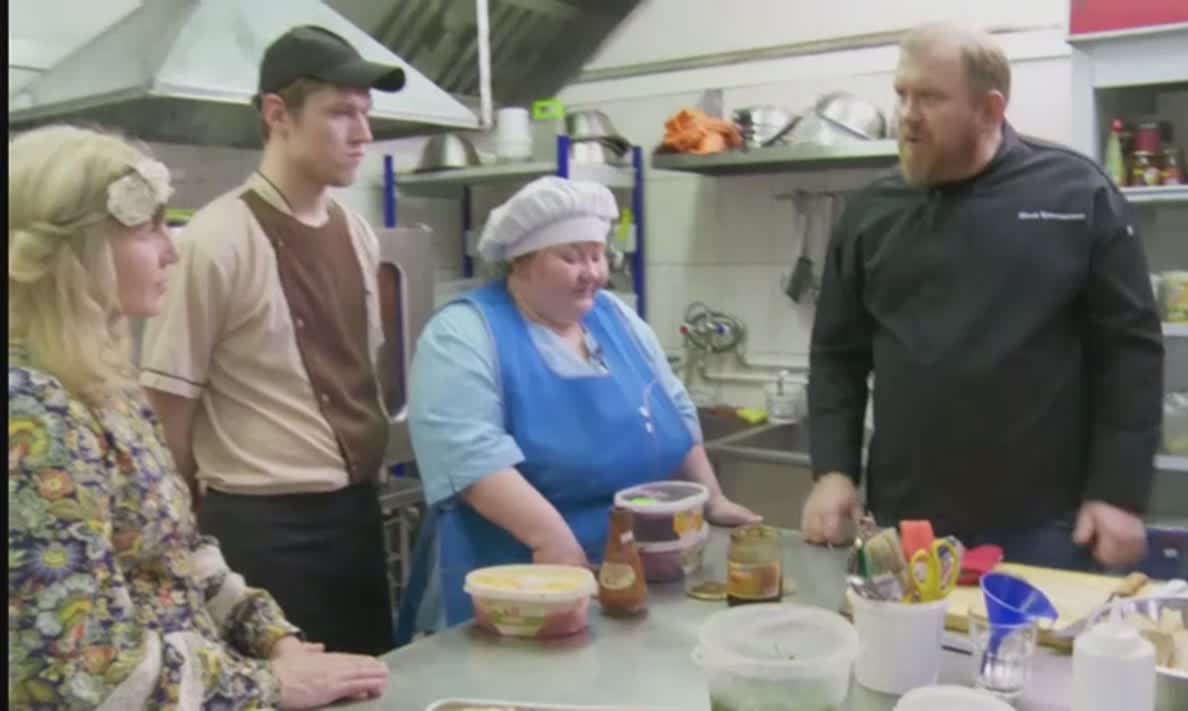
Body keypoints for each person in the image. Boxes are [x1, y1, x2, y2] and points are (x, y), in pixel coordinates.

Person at [8, 125, 389, 709]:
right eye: (148, 229)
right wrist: (271, 685)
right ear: (76, 251)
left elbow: (176, 551)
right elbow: (77, 672)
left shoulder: (103, 385)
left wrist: (270, 636)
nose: (172, 250)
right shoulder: (31, 414)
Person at [801, 23, 1163, 572]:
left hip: (1042, 522)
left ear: (990, 109)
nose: (907, 116)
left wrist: (1118, 492)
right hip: (906, 518)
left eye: (930, 98)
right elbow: (836, 355)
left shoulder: (1077, 193)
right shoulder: (872, 212)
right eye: (902, 95)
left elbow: (1129, 350)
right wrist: (833, 471)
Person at [139, 25, 403, 655]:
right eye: (340, 113)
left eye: (365, 113)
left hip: (356, 516)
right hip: (263, 533)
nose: (363, 134)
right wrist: (184, 536)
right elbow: (168, 408)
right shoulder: (214, 240)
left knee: (372, 684)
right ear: (277, 114)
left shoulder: (358, 233)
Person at [401, 177, 761, 632]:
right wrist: (552, 543)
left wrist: (712, 498)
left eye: (597, 255)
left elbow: (673, 408)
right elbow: (470, 458)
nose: (591, 272)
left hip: (627, 570)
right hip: (517, 581)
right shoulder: (464, 332)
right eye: (570, 258)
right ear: (521, 262)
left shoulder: (617, 318)